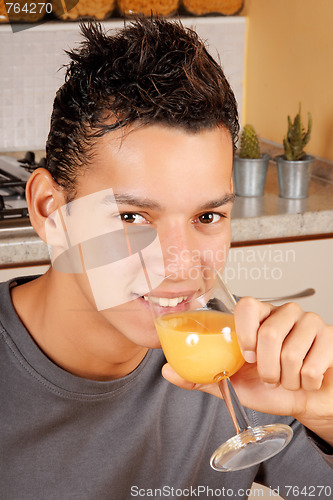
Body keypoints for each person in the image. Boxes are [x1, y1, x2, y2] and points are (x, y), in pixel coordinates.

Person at [1, 18, 332, 500]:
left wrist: (326, 417)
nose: (179, 267)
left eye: (208, 216)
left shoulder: (245, 363)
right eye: (132, 217)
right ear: (52, 213)